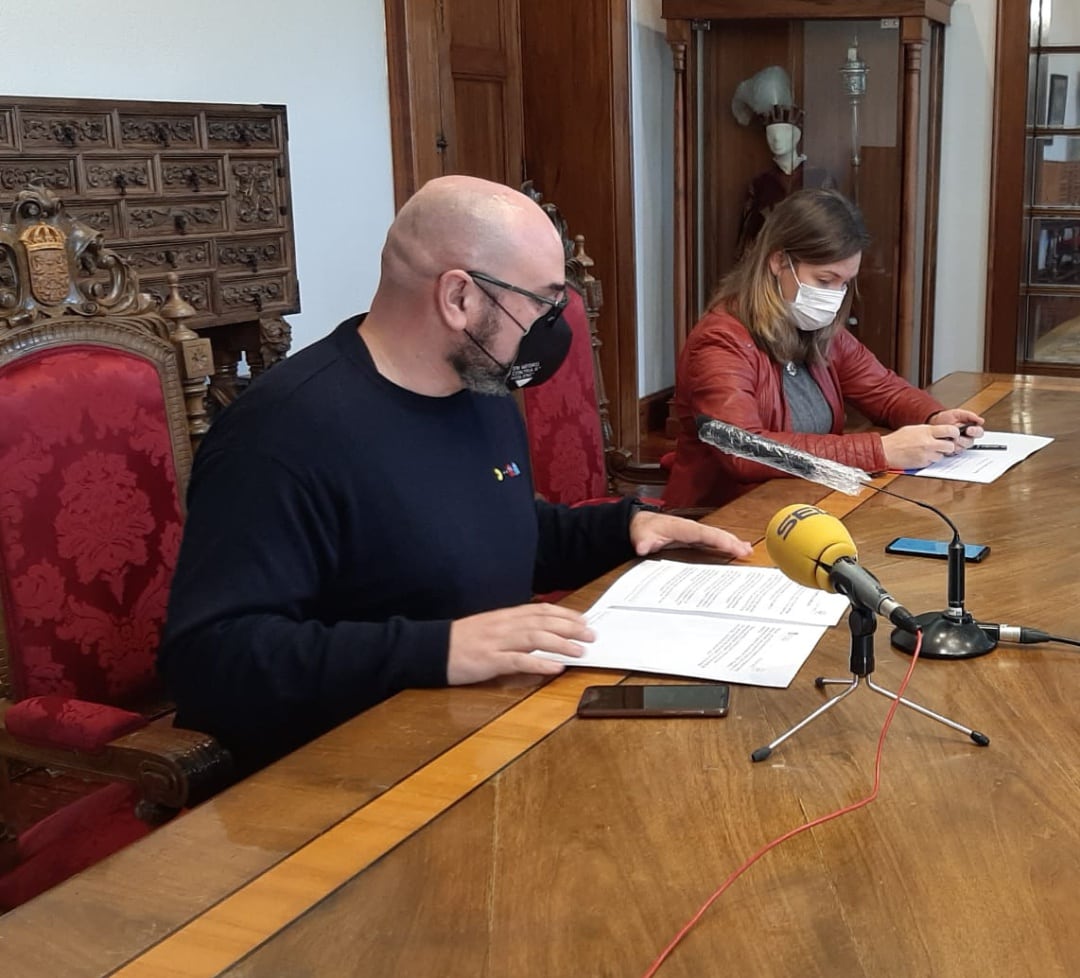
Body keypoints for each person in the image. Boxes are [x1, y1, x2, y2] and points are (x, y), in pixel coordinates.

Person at [159, 175, 753, 772]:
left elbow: (481, 537)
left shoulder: (481, 388)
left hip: (480, 730)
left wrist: (622, 530)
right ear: (460, 298)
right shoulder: (282, 433)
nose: (553, 326)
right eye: (543, 301)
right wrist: (439, 649)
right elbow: (212, 662)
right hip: (341, 769)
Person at [664, 188, 985, 509]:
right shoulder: (721, 340)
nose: (835, 295)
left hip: (807, 504)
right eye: (825, 280)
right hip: (723, 519)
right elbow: (743, 449)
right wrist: (881, 451)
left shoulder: (818, 330)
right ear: (778, 261)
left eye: (844, 283)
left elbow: (885, 391)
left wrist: (934, 417)